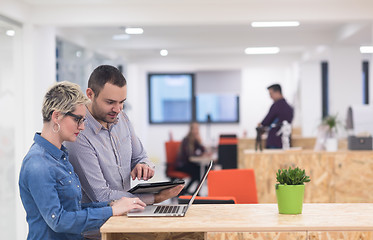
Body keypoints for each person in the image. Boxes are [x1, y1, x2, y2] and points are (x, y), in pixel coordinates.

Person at [19, 81, 146, 240]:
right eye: (78, 120)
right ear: (56, 116)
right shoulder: (38, 164)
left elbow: (73, 209)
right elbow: (58, 220)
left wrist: (111, 205)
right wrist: (111, 211)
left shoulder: (60, 157)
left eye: (83, 120)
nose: (82, 127)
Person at [65, 65, 182, 207]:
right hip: (99, 223)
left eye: (122, 102)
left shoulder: (122, 119)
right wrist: (154, 198)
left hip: (128, 211)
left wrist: (143, 165)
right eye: (110, 102)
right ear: (90, 94)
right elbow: (101, 196)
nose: (117, 109)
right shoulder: (79, 134)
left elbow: (141, 156)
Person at [258, 84, 294, 149]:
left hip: (274, 141)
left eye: (271, 94)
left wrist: (260, 125)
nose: (270, 97)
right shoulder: (290, 108)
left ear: (277, 92)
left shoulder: (276, 106)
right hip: (286, 142)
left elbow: (266, 122)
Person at [176, 122, 205, 195]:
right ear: (191, 130)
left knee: (203, 170)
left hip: (191, 164)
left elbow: (202, 151)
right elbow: (188, 155)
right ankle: (191, 192)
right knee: (199, 173)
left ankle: (190, 191)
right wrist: (197, 154)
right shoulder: (186, 140)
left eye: (197, 129)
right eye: (194, 129)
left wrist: (200, 142)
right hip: (183, 164)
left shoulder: (196, 140)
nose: (196, 131)